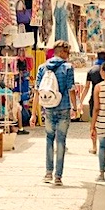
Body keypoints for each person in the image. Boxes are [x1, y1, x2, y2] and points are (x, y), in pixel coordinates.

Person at [31, 40, 79, 185]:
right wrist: (75, 108)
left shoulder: (42, 67)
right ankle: (58, 176)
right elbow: (71, 89)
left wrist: (34, 114)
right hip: (63, 107)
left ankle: (48, 173)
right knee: (61, 141)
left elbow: (37, 93)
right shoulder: (68, 67)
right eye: (68, 52)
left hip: (48, 108)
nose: (68, 55)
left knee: (49, 139)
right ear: (62, 52)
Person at [79, 50, 105, 154]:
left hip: (94, 99)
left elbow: (86, 87)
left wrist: (81, 101)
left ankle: (94, 146)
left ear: (96, 56)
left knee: (93, 123)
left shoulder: (91, 70)